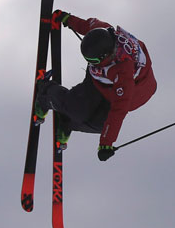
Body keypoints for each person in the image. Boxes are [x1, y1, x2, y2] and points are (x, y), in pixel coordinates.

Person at [34, 9, 156, 161]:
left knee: (100, 125)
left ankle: (66, 121)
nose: (91, 64)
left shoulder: (122, 71)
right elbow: (88, 26)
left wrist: (106, 143)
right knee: (78, 109)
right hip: (103, 83)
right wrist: (68, 19)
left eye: (94, 62)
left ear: (106, 56)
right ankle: (46, 95)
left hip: (125, 93)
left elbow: (119, 109)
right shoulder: (105, 33)